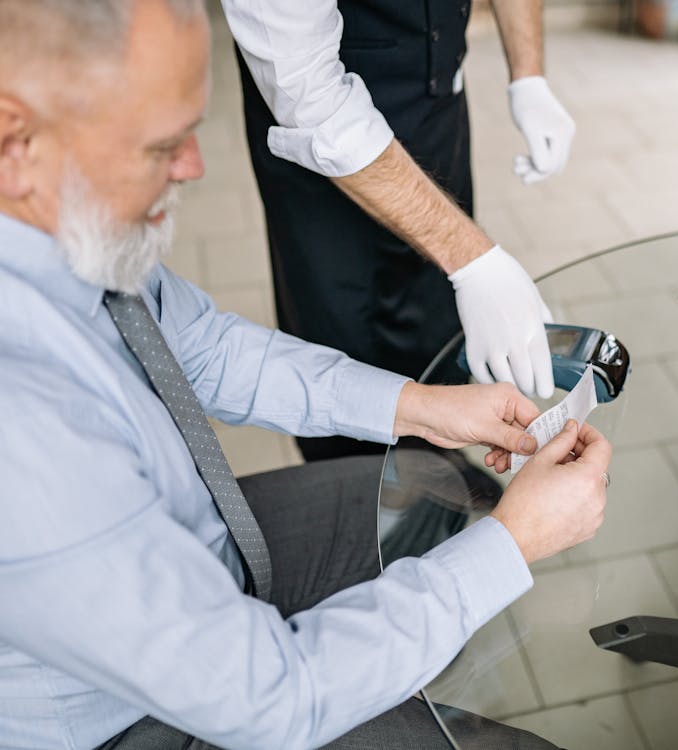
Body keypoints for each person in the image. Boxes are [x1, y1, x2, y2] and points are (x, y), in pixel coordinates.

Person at [0, 1, 610, 748]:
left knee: (450, 491)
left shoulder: (53, 233)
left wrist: (422, 407)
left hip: (206, 545)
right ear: (14, 142)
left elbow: (206, 349)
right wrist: (512, 546)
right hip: (138, 715)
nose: (194, 165)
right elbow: (270, 699)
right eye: (163, 145)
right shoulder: (24, 433)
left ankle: (411, 658)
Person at [223, 0, 576, 460]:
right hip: (318, 152)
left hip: (436, 111)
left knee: (443, 333)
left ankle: (438, 480)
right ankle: (357, 501)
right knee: (343, 357)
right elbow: (307, 95)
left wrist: (528, 76)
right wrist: (472, 257)